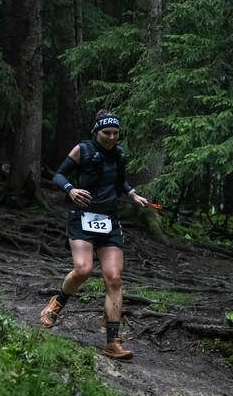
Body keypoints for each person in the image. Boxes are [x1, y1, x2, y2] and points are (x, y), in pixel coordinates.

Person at [40, 110, 150, 361]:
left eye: (115, 133)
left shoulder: (119, 154)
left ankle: (112, 341)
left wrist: (133, 194)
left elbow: (119, 181)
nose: (111, 138)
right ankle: (57, 302)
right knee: (83, 270)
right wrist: (70, 189)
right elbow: (58, 175)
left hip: (109, 221)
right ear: (96, 132)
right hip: (82, 218)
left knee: (114, 278)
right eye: (106, 133)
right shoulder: (83, 149)